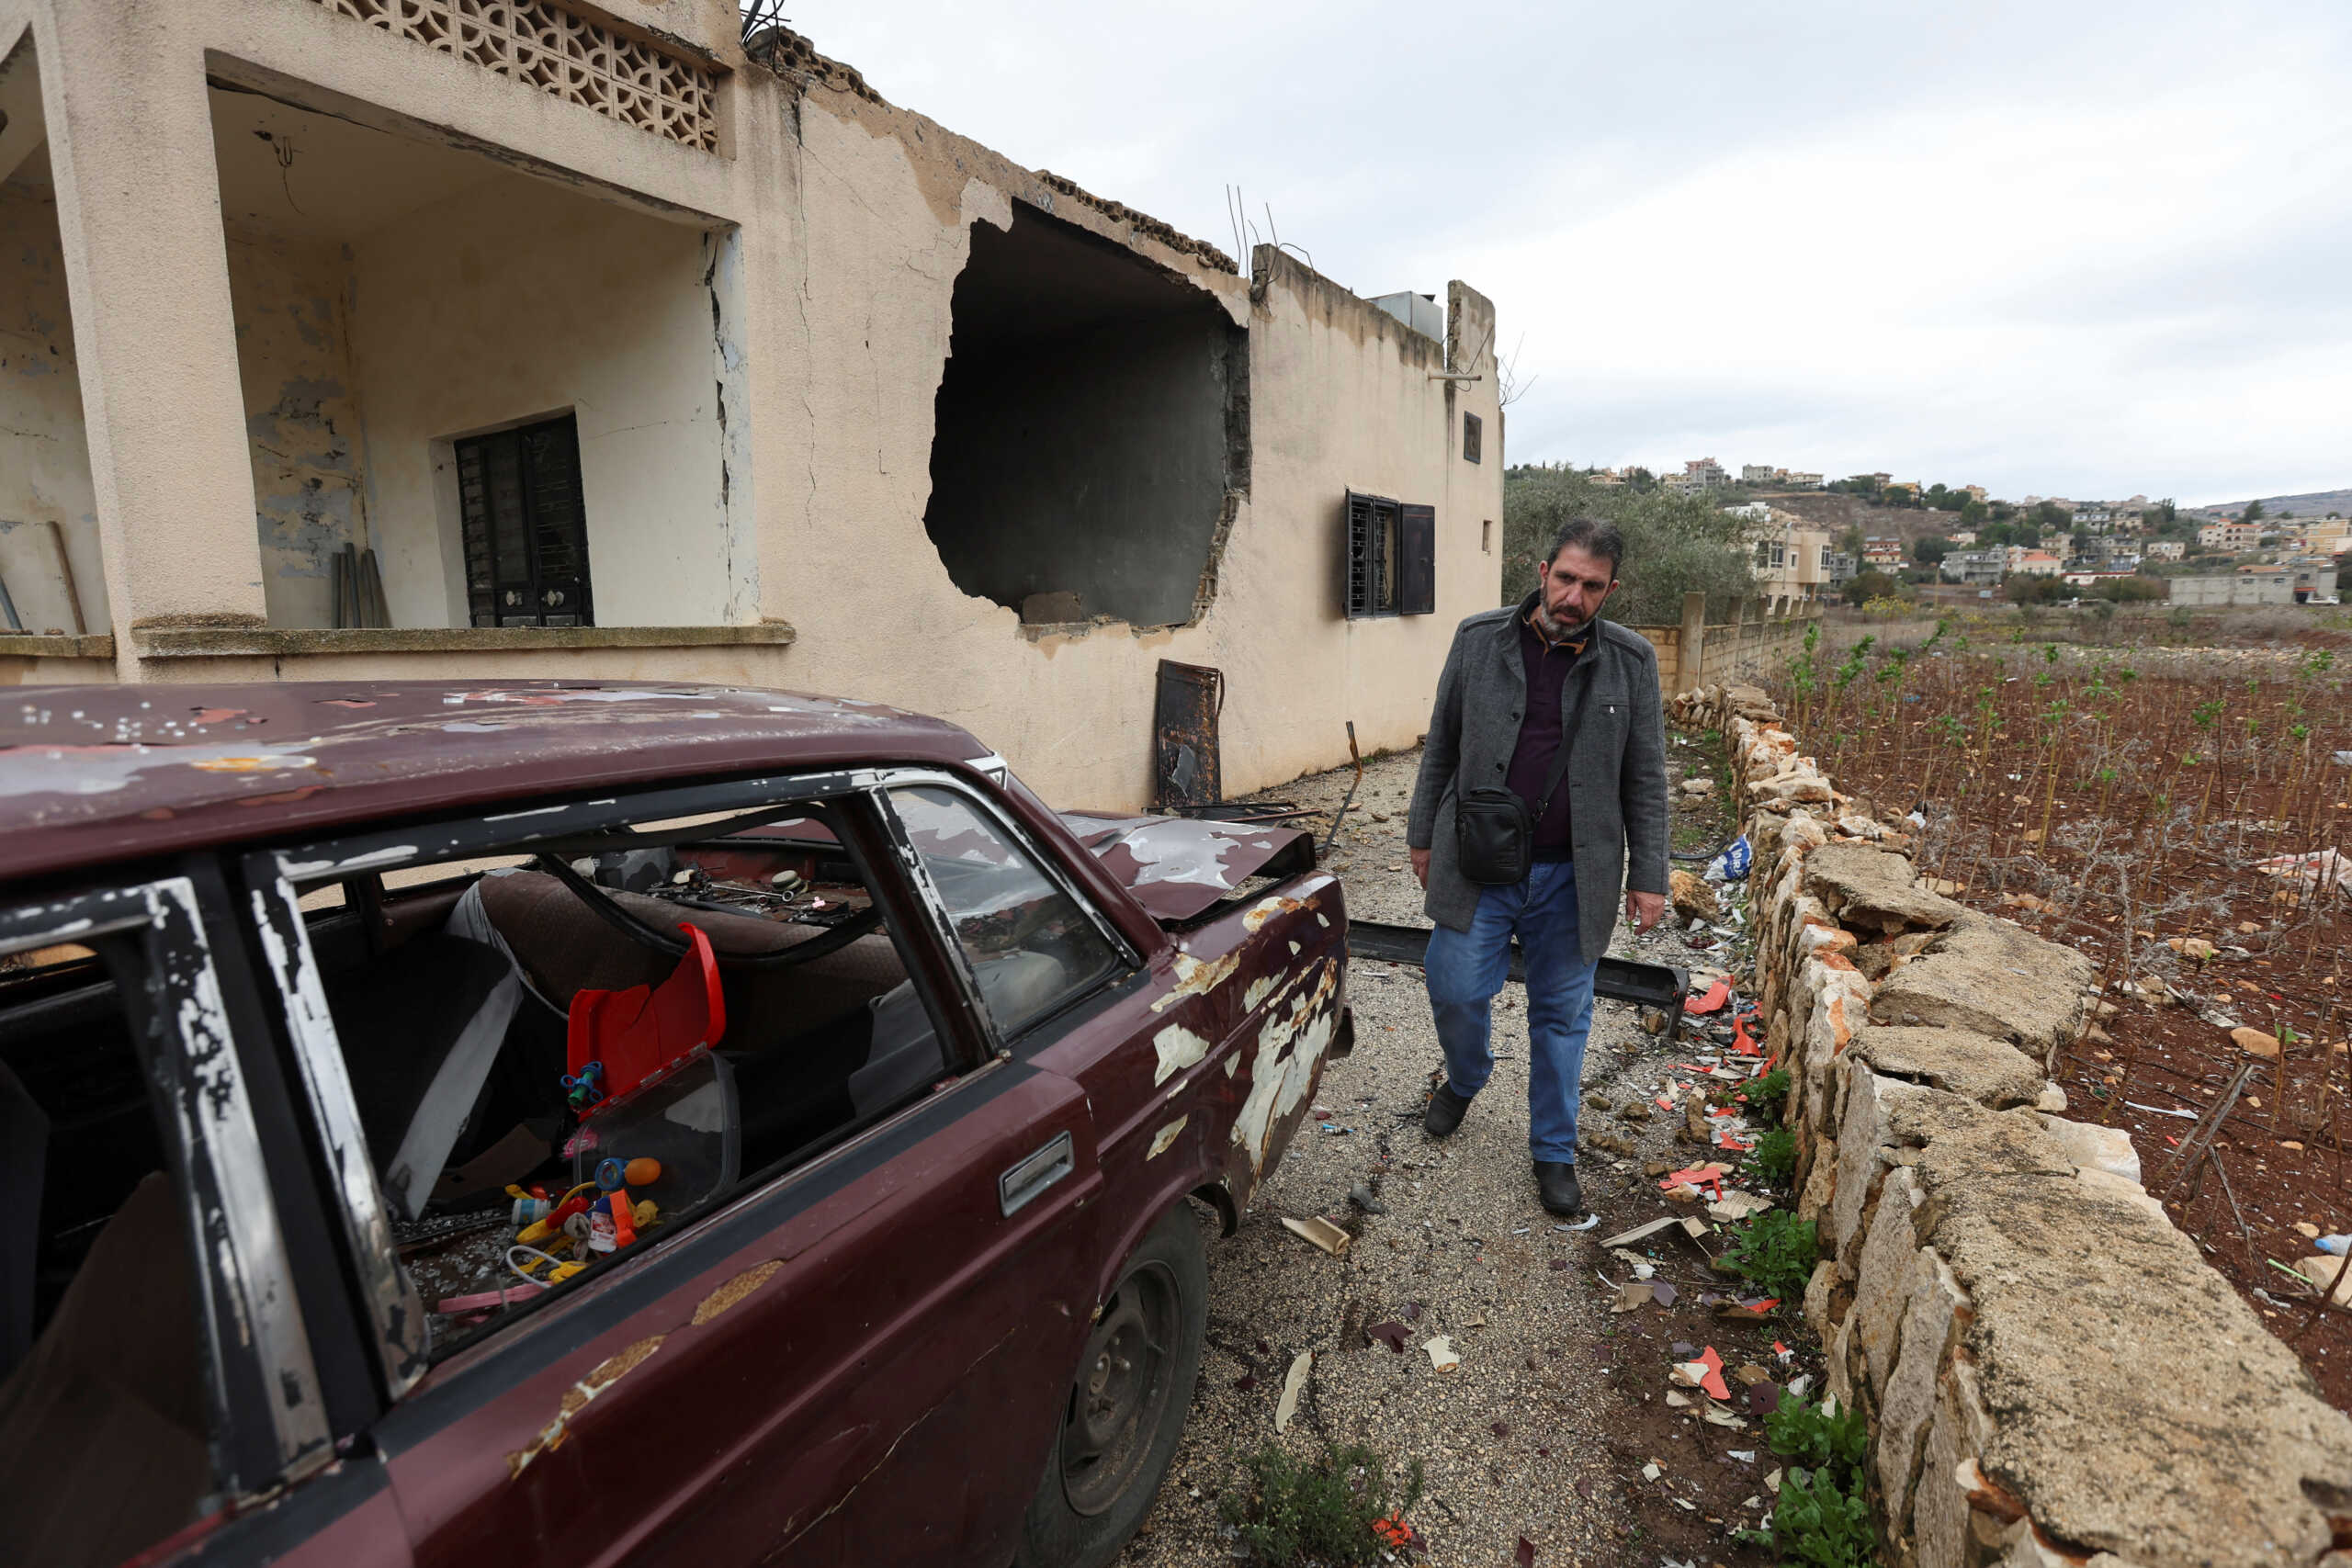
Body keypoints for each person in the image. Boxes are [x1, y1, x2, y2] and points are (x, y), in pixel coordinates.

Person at [1405, 516, 1669, 1215]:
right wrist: (1420, 834)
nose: (1573, 595)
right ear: (1543, 567)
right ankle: (1465, 1076)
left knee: (1563, 1015)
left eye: (1591, 585)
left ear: (1610, 589)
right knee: (1454, 984)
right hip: (1476, 863)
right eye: (1565, 577)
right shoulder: (1477, 639)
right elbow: (1443, 746)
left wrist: (1650, 875)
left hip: (1575, 877)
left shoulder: (1633, 664)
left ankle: (1554, 1149)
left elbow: (1645, 779)